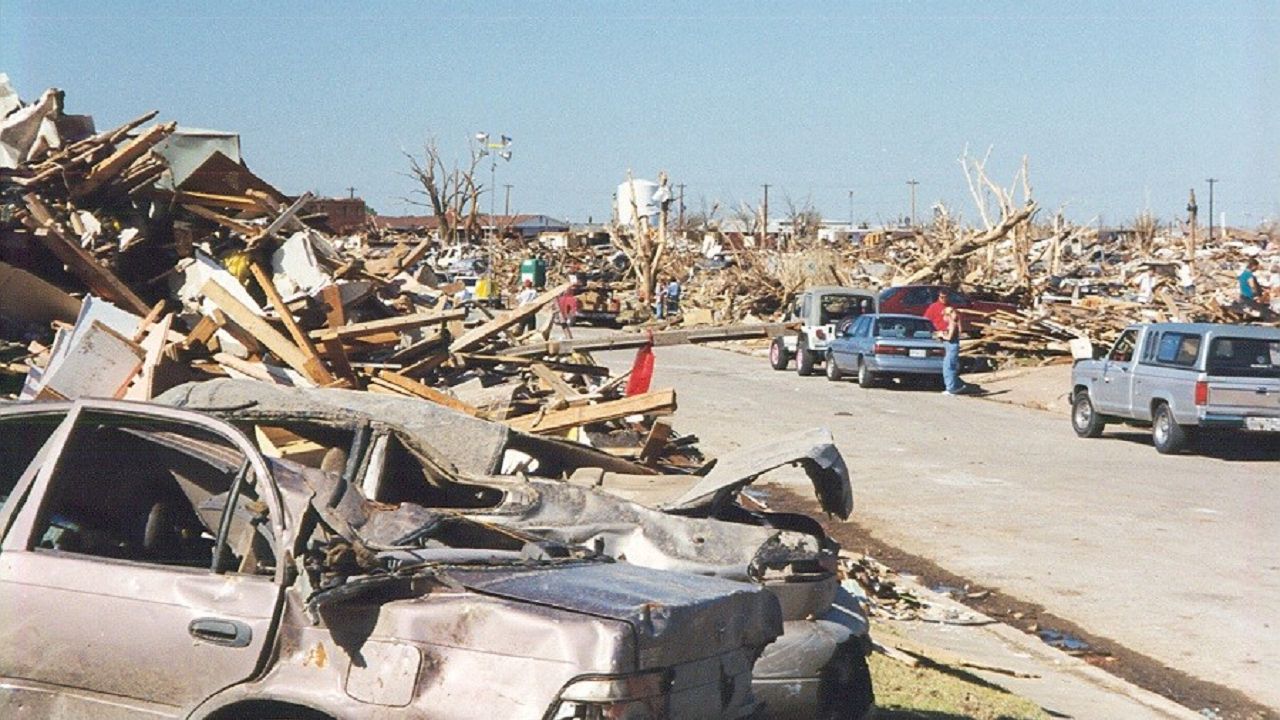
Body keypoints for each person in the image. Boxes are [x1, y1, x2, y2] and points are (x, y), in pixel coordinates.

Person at [938, 305, 967, 395]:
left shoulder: (952, 324)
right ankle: (957, 385)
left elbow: (950, 337)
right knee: (949, 367)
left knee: (948, 368)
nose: (943, 318)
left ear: (948, 316)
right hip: (950, 348)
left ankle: (951, 388)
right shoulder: (952, 324)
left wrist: (942, 335)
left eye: (944, 316)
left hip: (952, 348)